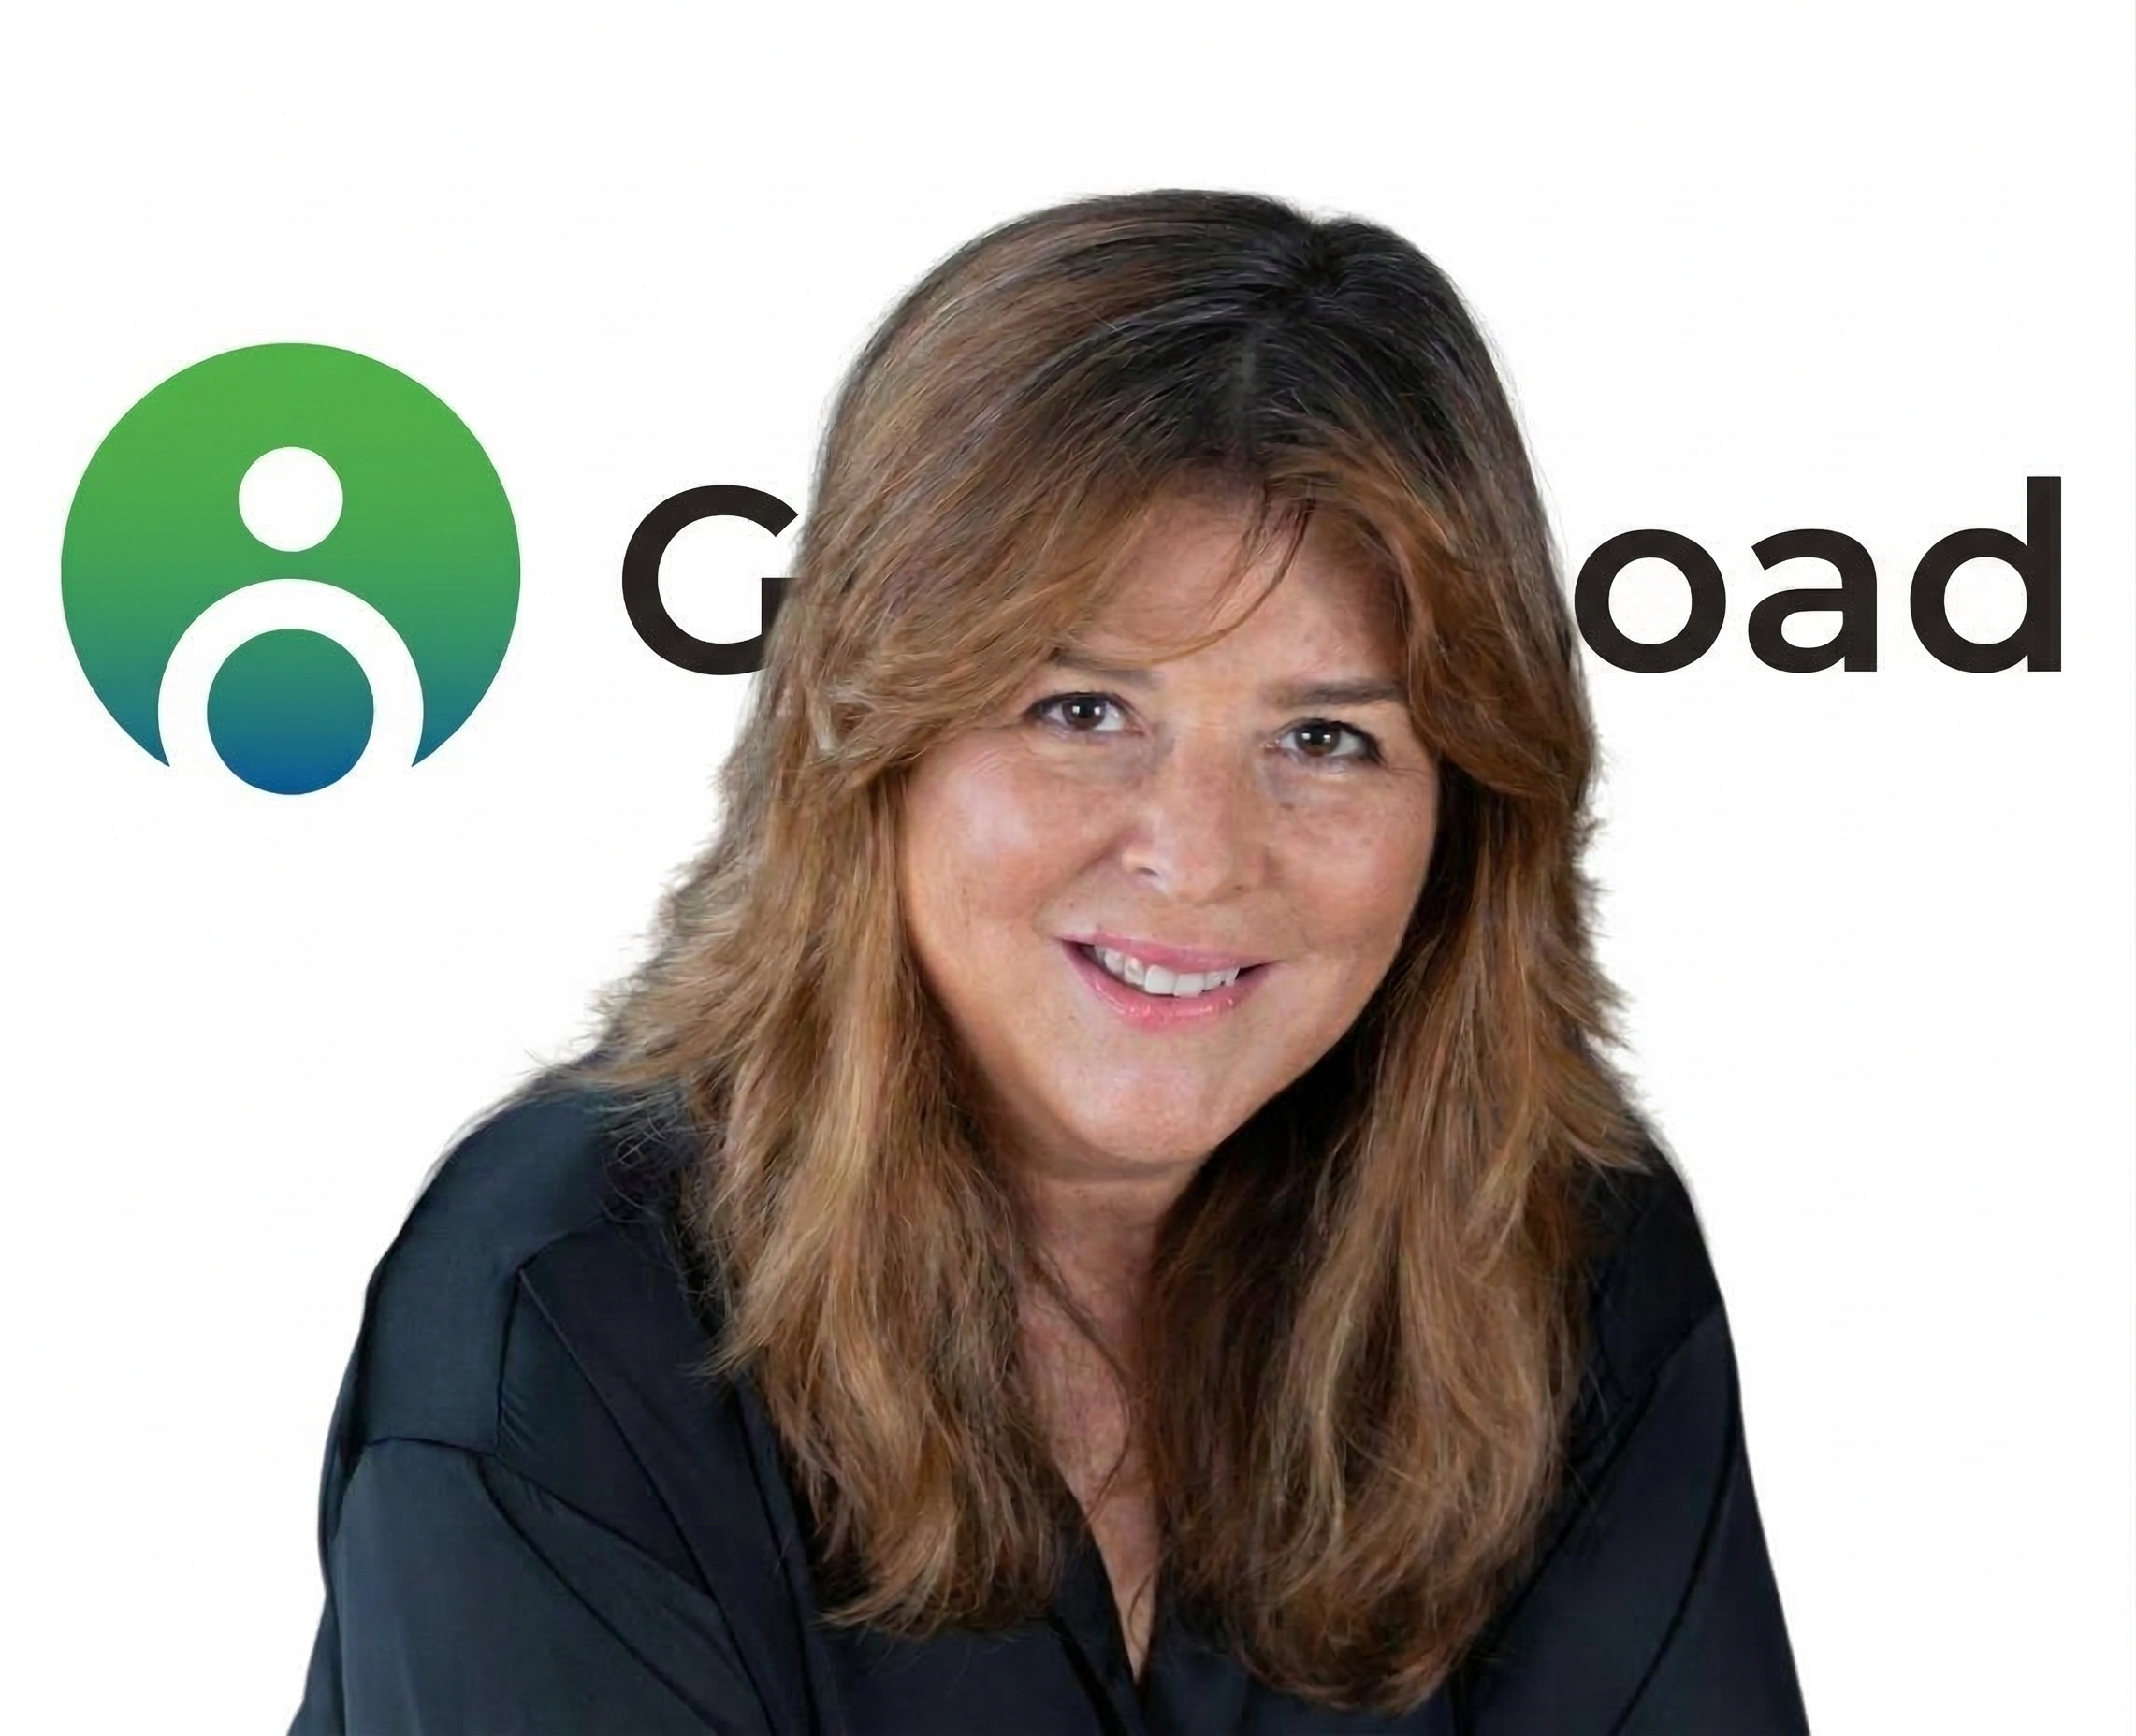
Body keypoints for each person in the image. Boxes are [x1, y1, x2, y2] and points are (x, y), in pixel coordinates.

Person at [287, 189, 1810, 1734]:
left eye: (1325, 738)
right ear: (867, 732)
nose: (1199, 855)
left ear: (1467, 813)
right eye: (1081, 712)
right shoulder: (564, 1313)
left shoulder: (1564, 1254)